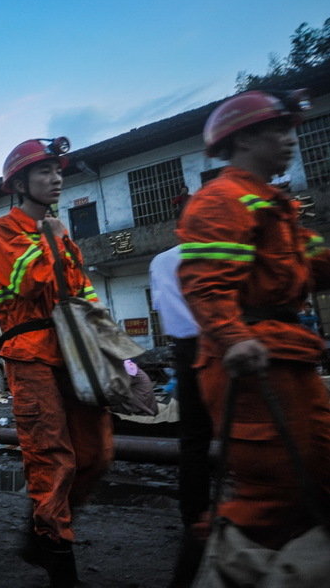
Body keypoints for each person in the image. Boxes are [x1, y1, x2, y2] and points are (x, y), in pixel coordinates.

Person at [178, 89, 330, 551]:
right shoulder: (222, 201)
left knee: (319, 475)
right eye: (278, 130)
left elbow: (316, 264)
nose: (290, 141)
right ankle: (208, 568)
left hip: (288, 355)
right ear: (243, 139)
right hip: (250, 362)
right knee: (271, 495)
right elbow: (206, 285)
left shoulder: (277, 208)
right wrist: (233, 338)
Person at [0, 136, 109, 588]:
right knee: (52, 457)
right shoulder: (1, 231)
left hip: (78, 352)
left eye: (58, 172)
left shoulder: (60, 232)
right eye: (44, 172)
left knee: (96, 454)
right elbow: (29, 280)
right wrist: (52, 240)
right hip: (30, 355)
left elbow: (83, 292)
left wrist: (117, 353)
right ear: (19, 183)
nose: (55, 179)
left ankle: (40, 528)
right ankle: (57, 555)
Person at [149, 244, 213, 586]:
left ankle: (194, 518)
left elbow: (162, 307)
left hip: (186, 350)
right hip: (221, 343)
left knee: (193, 440)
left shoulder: (162, 260)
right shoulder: (224, 251)